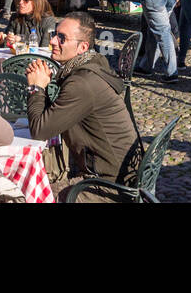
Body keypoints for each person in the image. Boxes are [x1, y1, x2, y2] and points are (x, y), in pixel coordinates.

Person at [25, 12, 137, 187]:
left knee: (32, 194)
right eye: (55, 34)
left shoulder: (82, 83)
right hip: (109, 170)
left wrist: (36, 88)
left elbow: (40, 130)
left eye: (62, 38)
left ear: (82, 47)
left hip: (110, 183)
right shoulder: (91, 64)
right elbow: (54, 114)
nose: (53, 41)